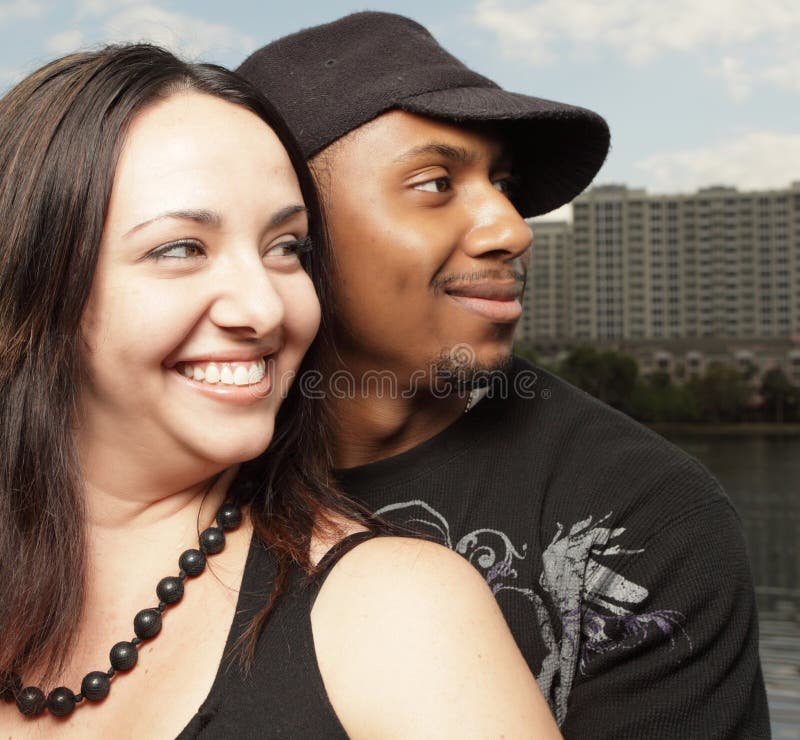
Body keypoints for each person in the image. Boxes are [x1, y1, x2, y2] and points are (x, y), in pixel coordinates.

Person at [0, 44, 562, 738]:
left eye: (286, 247)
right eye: (181, 249)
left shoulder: (399, 614)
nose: (265, 310)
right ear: (33, 279)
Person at [237, 11, 770, 738]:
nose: (513, 229)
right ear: (287, 234)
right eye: (434, 183)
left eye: (504, 183)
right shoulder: (159, 476)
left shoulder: (647, 518)